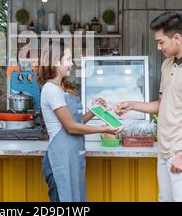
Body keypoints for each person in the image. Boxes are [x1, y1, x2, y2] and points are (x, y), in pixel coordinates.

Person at [113, 12, 182, 202]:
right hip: (164, 150)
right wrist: (131, 105)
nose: (159, 47)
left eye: (161, 42)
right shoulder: (167, 65)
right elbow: (162, 104)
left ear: (177, 38)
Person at [38, 39, 122, 202]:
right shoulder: (51, 90)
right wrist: (104, 129)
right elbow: (71, 127)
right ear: (56, 61)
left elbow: (77, 121)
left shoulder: (61, 89)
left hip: (71, 158)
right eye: (68, 59)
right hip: (60, 160)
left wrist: (94, 111)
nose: (71, 64)